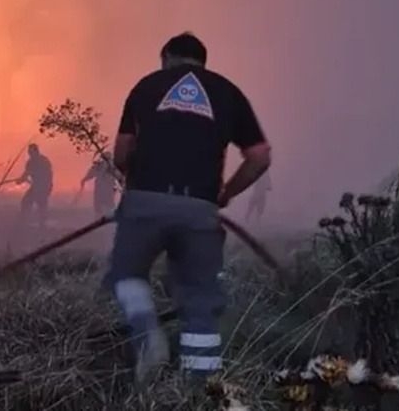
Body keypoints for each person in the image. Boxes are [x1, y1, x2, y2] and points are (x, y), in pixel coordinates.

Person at [108, 32, 271, 384]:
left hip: (145, 203)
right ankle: (200, 390)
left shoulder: (146, 87)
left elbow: (121, 153)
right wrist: (225, 194)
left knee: (127, 274)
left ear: (166, 58)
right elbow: (259, 157)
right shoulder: (229, 93)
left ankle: (146, 332)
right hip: (200, 209)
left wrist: (135, 185)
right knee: (200, 298)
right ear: (202, 61)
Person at [15, 143, 53, 229]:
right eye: (29, 152)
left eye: (30, 151)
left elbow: (49, 174)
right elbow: (26, 174)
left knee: (41, 205)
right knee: (26, 202)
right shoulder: (30, 162)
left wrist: (47, 187)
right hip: (36, 186)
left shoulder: (43, 161)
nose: (29, 153)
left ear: (35, 151)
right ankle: (25, 221)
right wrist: (21, 180)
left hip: (44, 186)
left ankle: (42, 225)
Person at [81, 152, 118, 216]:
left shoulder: (110, 166)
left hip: (106, 188)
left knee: (106, 205)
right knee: (103, 205)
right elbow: (91, 173)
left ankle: (105, 218)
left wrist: (84, 179)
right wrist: (84, 179)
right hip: (103, 188)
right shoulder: (101, 165)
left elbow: (91, 173)